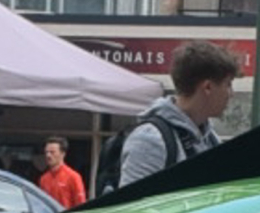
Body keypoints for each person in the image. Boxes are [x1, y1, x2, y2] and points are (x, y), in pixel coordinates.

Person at [100, 42, 239, 196]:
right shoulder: (150, 139)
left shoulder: (210, 138)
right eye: (228, 85)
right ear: (207, 87)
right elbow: (133, 209)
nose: (230, 93)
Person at [36, 137, 86, 209]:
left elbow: (81, 204)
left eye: (52, 152)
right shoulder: (43, 179)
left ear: (62, 154)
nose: (48, 155)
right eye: (46, 152)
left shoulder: (73, 177)